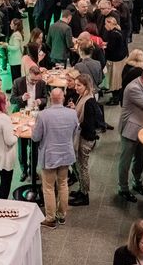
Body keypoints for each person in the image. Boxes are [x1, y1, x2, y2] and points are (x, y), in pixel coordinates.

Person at [32, 88, 78, 228]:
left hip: (50, 156)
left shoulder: (43, 115)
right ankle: (62, 215)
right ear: (63, 98)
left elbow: (35, 137)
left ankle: (50, 218)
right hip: (66, 153)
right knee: (63, 184)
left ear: (51, 98)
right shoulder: (72, 113)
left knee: (48, 188)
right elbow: (75, 132)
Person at [117, 69, 143, 203]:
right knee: (125, 161)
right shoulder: (133, 88)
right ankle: (123, 188)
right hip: (130, 129)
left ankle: (137, 183)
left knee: (140, 158)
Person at [10, 66, 47, 182]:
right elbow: (12, 100)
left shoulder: (41, 83)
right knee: (22, 146)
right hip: (21, 116)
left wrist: (40, 101)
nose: (35, 82)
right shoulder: (18, 82)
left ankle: (33, 170)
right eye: (33, 81)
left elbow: (46, 99)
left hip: (36, 116)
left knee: (34, 145)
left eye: (37, 80)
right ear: (28, 75)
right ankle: (24, 170)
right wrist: (22, 97)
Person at [68, 74, 99, 207]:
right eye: (75, 85)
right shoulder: (83, 97)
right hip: (80, 137)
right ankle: (81, 190)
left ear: (86, 86)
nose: (76, 88)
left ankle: (85, 195)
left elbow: (89, 125)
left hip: (85, 139)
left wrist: (75, 121)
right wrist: (74, 108)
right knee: (77, 165)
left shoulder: (90, 101)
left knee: (82, 167)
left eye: (79, 85)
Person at [104, 16, 128, 105]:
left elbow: (111, 48)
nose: (104, 26)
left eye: (106, 23)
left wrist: (104, 47)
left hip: (115, 61)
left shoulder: (113, 34)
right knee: (118, 80)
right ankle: (116, 97)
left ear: (110, 23)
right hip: (121, 58)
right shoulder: (118, 31)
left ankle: (115, 99)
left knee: (115, 81)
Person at [7, 18, 24, 83]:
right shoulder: (17, 33)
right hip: (16, 59)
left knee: (16, 76)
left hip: (16, 59)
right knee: (15, 76)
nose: (10, 25)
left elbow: (16, 47)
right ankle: (15, 88)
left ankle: (16, 89)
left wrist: (7, 46)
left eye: (11, 24)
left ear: (15, 25)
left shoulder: (16, 35)